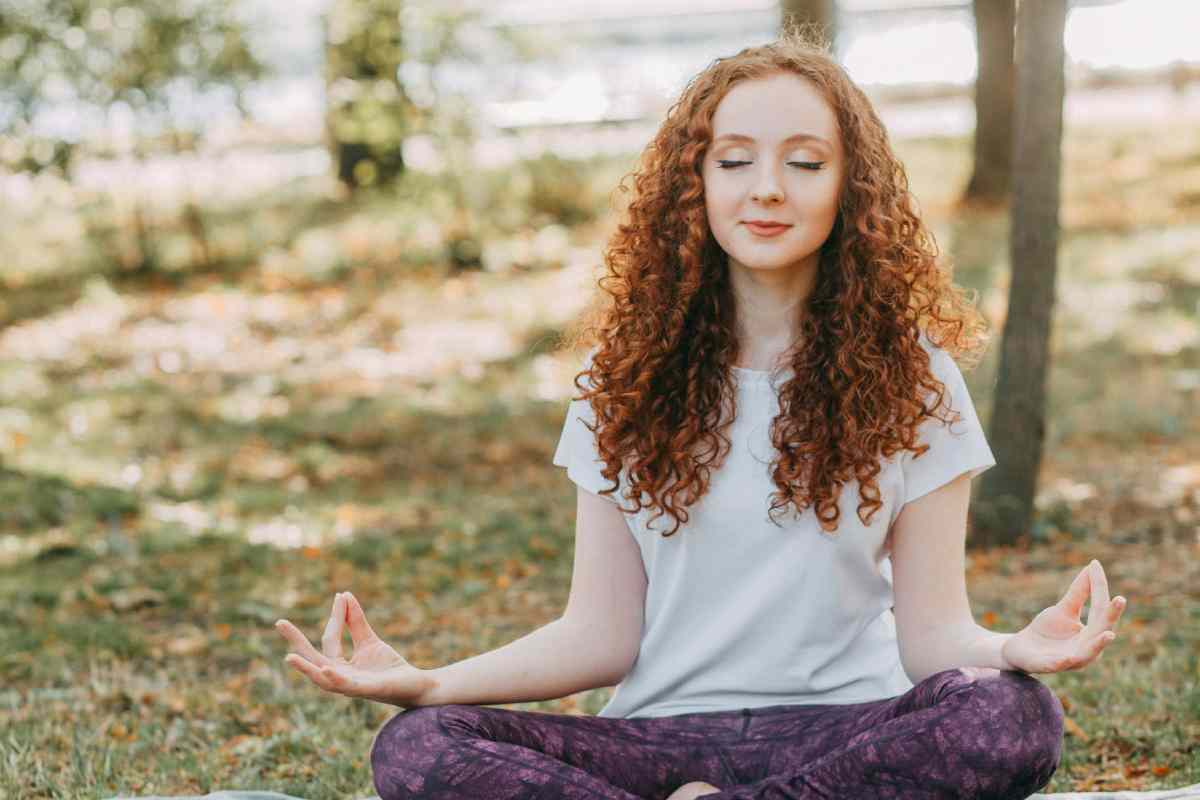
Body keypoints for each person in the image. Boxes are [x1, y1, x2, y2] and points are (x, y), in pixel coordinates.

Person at [274, 29, 1128, 800]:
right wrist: (428, 683)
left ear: (849, 187)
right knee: (418, 748)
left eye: (804, 161)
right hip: (655, 739)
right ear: (695, 182)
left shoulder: (915, 378)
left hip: (849, 738)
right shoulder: (622, 381)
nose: (766, 189)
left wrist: (1014, 651)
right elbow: (597, 634)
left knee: (1014, 717)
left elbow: (934, 636)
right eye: (733, 161)